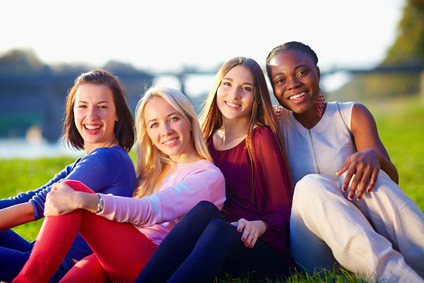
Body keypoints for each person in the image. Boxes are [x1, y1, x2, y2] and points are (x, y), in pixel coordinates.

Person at [12, 86, 226, 282]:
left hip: (154, 262)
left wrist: (89, 200)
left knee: (75, 191)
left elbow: (150, 210)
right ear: (149, 134)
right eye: (154, 124)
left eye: (173, 119)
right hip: (118, 256)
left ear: (189, 120)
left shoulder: (207, 176)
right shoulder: (153, 172)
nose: (165, 131)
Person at [265, 41, 424, 282]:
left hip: (365, 230)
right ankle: (396, 277)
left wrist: (375, 157)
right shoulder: (274, 126)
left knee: (366, 173)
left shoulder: (351, 114)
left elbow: (391, 184)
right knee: (310, 185)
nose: (293, 84)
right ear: (273, 88)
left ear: (317, 73)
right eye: (280, 80)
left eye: (301, 72)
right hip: (313, 250)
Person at [136, 57, 294, 283]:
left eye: (246, 88)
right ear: (217, 88)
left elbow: (283, 210)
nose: (234, 94)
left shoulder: (260, 138)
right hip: (211, 243)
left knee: (219, 229)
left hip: (256, 245)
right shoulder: (206, 140)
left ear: (256, 96)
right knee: (204, 211)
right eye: (227, 84)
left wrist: (260, 226)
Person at [0, 69, 137, 282]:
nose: (91, 116)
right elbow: (28, 198)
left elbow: (34, 210)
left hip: (60, 271)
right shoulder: (90, 160)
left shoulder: (109, 159)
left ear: (117, 113)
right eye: (82, 106)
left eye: (102, 107)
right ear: (73, 111)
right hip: (41, 257)